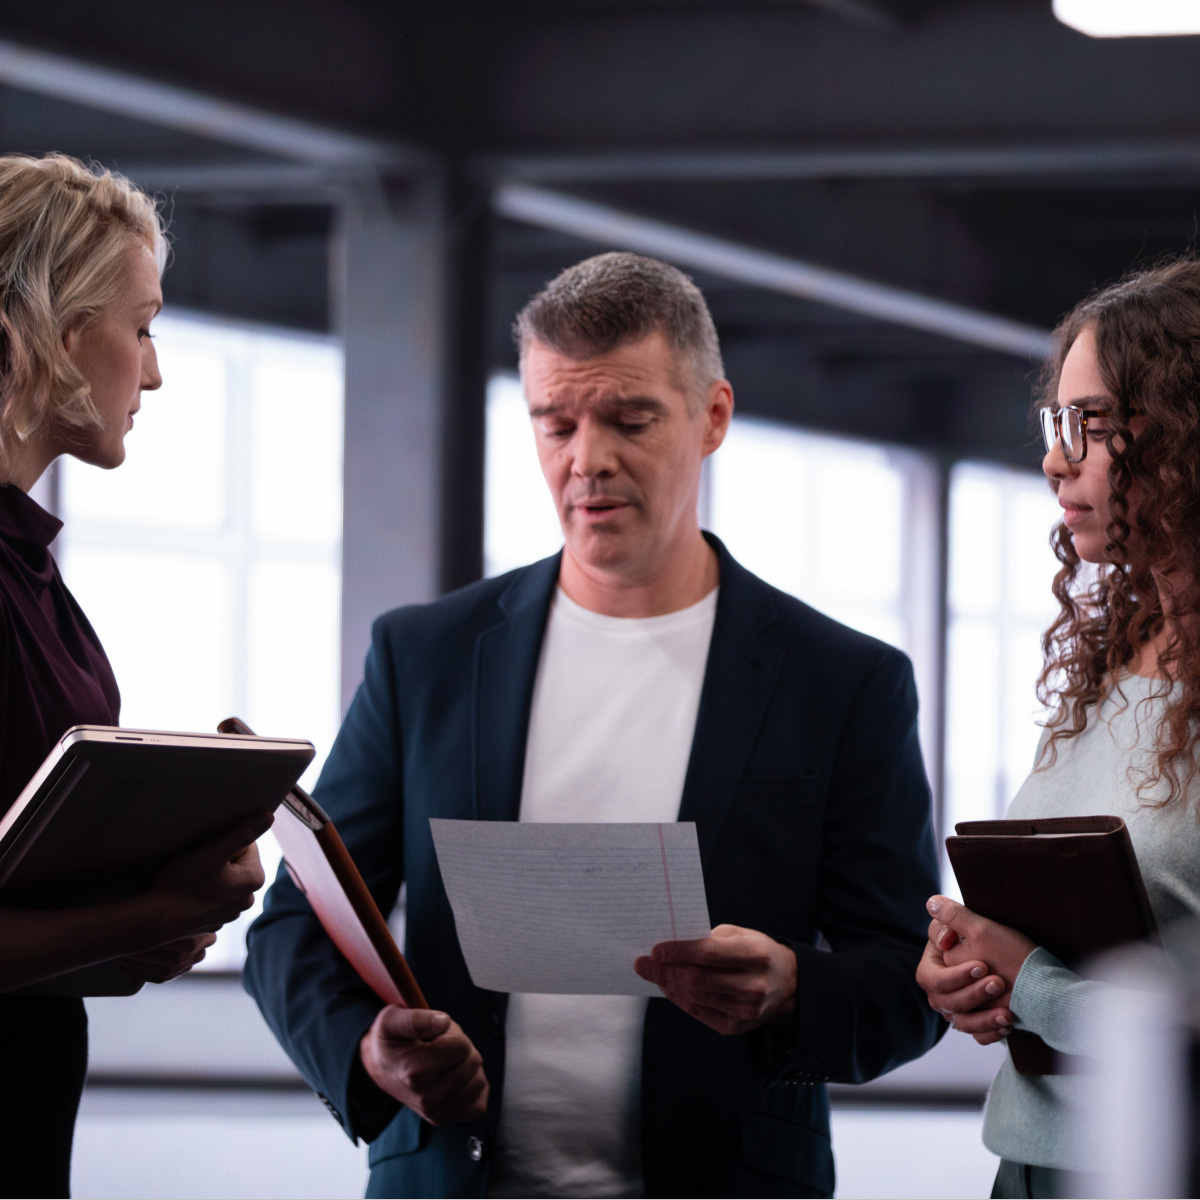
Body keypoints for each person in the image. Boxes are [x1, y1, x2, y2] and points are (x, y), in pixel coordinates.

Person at [245, 251, 942, 1199]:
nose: (587, 459)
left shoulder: (843, 681)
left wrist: (790, 988)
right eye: (556, 423)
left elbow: (909, 980)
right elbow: (295, 924)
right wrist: (368, 1051)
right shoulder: (428, 658)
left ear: (713, 418)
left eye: (630, 419)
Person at [0, 153, 271, 1199]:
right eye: (143, 325)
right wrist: (146, 911)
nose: (152, 371)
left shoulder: (31, 573)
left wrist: (140, 919)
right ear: (57, 328)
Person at [916, 258, 1200, 1199]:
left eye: (1092, 425)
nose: (1054, 459)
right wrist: (968, 970)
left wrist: (1034, 985)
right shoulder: (1110, 668)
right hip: (1030, 1165)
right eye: (1056, 424)